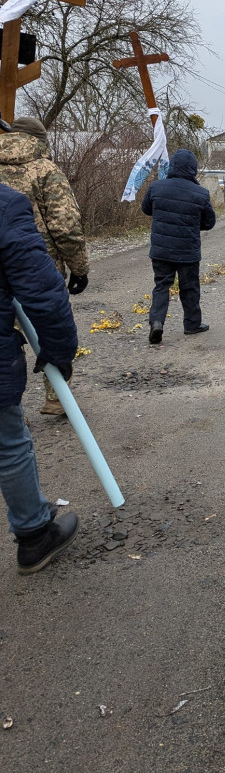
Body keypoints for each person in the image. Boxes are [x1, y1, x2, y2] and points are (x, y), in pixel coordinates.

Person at [0, 181, 79, 574]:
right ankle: (33, 535)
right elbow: (43, 295)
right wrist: (60, 352)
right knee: (8, 444)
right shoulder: (6, 204)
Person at [0, 116, 89, 416]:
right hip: (38, 264)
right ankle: (56, 397)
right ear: (40, 140)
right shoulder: (44, 169)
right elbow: (65, 226)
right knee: (46, 327)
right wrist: (79, 267)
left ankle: (11, 411)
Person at [141, 148, 216, 344]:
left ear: (172, 166)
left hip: (161, 249)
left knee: (161, 286)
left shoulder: (156, 187)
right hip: (188, 251)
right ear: (193, 169)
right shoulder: (201, 193)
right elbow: (209, 223)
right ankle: (192, 324)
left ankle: (157, 322)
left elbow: (146, 209)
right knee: (189, 287)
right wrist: (192, 223)